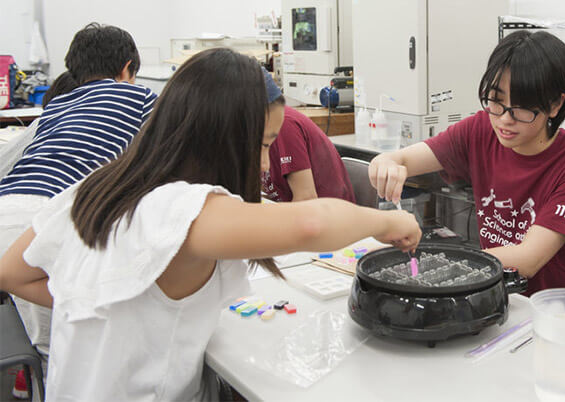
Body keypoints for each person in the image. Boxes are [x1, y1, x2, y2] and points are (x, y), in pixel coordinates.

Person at [0, 48, 421, 401]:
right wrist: (388, 222)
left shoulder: (97, 188)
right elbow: (310, 223)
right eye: (261, 145)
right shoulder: (179, 206)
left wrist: (117, 304)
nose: (262, 165)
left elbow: (12, 272)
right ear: (218, 137)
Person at [368, 30, 565, 296]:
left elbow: (528, 259)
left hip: (564, 310)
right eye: (496, 100)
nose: (504, 118)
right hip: (502, 294)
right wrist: (385, 163)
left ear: (555, 105)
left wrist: (430, 259)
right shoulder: (481, 129)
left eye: (522, 106)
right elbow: (400, 159)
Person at [0, 22, 156, 385]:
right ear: (127, 69)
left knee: (36, 338)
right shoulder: (140, 98)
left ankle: (29, 384)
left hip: (9, 204)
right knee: (60, 345)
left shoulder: (56, 105)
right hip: (46, 219)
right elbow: (165, 155)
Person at [261, 70, 355, 202]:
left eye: (265, 146)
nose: (264, 164)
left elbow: (306, 198)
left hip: (324, 217)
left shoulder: (283, 125)